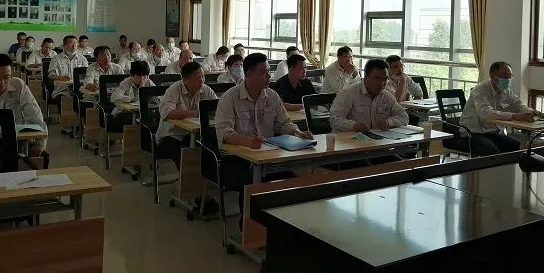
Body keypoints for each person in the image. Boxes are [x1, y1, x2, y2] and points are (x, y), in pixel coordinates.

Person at [215, 53, 313, 214]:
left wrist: (298, 132)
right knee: (252, 182)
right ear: (248, 74)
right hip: (235, 160)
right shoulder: (230, 98)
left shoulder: (272, 96)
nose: (269, 76)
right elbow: (224, 134)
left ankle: (281, 220)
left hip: (267, 157)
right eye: (263, 72)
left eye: (269, 71)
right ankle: (248, 226)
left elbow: (284, 123)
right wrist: (248, 142)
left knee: (295, 184)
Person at [459, 61, 541, 156]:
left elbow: (518, 105)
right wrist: (514, 116)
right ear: (492, 76)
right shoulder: (480, 90)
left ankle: (509, 166)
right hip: (472, 133)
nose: (508, 79)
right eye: (504, 76)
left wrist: (530, 111)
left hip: (493, 134)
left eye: (510, 76)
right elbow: (485, 114)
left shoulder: (506, 91)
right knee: (492, 152)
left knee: (517, 148)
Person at [156, 62, 218, 165]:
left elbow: (218, 107)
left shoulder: (206, 89)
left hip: (194, 135)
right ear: (185, 80)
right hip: (172, 136)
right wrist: (196, 113)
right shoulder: (174, 89)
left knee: (211, 150)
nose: (202, 80)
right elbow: (166, 113)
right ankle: (190, 175)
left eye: (203, 77)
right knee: (185, 157)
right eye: (197, 78)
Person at [330, 59, 409, 132]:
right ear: (366, 77)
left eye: (385, 79)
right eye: (377, 78)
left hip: (377, 139)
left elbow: (403, 116)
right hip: (349, 140)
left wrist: (390, 122)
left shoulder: (386, 95)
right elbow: (334, 120)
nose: (382, 82)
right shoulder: (349, 93)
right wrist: (353, 126)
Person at [48, 35, 89, 99]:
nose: (74, 45)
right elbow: (51, 75)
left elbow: (87, 75)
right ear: (64, 45)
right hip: (62, 90)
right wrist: (61, 78)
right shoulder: (56, 58)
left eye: (75, 43)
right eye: (71, 43)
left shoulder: (82, 58)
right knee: (68, 100)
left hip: (80, 90)